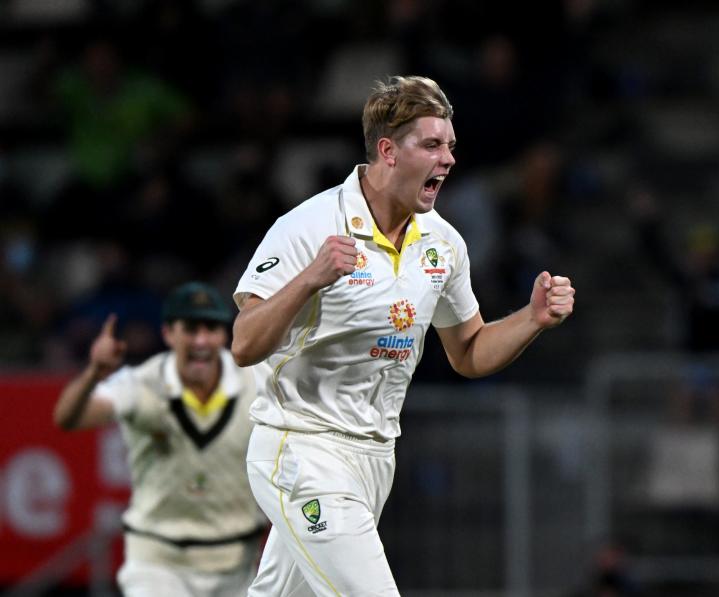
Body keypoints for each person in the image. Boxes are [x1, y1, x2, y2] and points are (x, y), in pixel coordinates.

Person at [232, 75, 575, 596]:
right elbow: (244, 344)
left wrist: (531, 319)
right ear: (388, 151)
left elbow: (469, 352)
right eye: (433, 145)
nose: (449, 159)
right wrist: (309, 279)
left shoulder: (443, 242)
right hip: (301, 450)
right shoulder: (309, 226)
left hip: (374, 458)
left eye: (451, 146)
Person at [53, 282, 266, 597]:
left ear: (225, 334)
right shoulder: (141, 383)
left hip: (239, 564)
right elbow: (69, 418)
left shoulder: (255, 383)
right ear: (168, 334)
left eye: (211, 328)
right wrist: (94, 373)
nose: (202, 341)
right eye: (191, 329)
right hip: (158, 564)